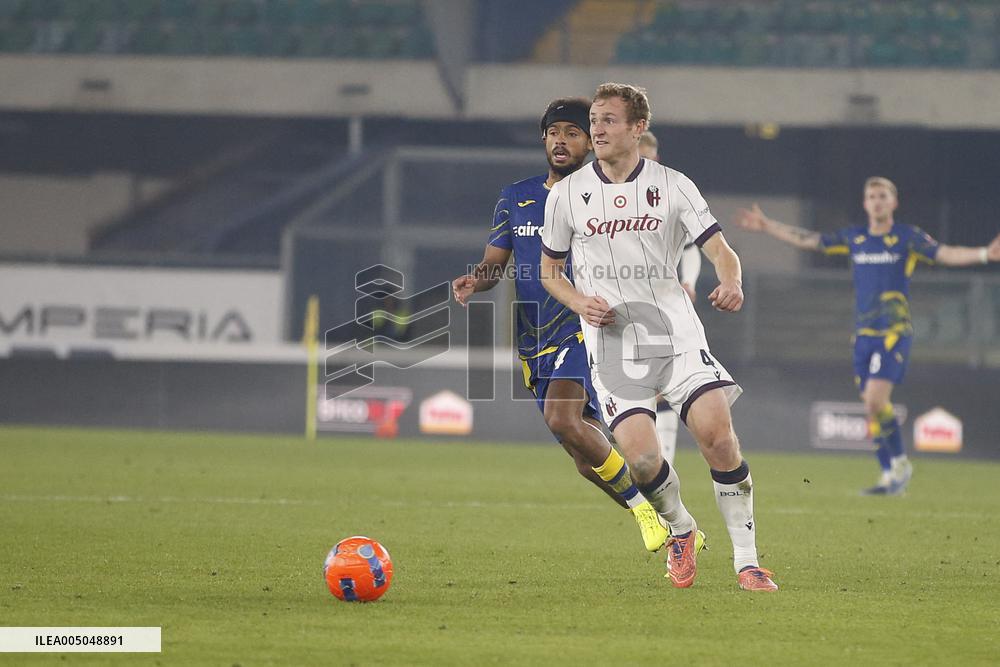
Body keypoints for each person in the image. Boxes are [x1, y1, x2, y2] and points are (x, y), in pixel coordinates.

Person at [540, 82, 777, 591]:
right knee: (644, 459)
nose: (597, 130)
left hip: (675, 334)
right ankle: (682, 529)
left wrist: (732, 280)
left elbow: (721, 250)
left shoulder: (673, 185)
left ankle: (747, 560)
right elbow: (550, 272)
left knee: (718, 436)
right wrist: (581, 302)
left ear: (637, 128)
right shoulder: (565, 195)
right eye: (595, 121)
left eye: (608, 120)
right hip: (613, 346)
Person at [452, 98, 696, 555]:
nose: (562, 140)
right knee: (585, 458)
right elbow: (494, 263)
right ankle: (677, 523)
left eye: (572, 132)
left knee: (562, 419)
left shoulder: (604, 197)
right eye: (553, 132)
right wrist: (475, 280)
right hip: (533, 340)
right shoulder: (515, 197)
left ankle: (647, 510)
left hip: (587, 329)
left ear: (589, 142)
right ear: (543, 139)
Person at [735, 178, 1000, 494]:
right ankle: (891, 472)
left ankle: (898, 464)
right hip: (863, 334)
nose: (876, 201)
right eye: (871, 196)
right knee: (873, 406)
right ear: (865, 203)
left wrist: (985, 253)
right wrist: (767, 226)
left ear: (893, 202)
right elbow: (810, 240)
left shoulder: (906, 237)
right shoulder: (855, 238)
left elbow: (945, 253)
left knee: (875, 399)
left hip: (893, 332)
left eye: (883, 196)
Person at [639, 130, 702, 466]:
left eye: (648, 160)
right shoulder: (602, 196)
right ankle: (648, 461)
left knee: (661, 383)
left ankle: (664, 465)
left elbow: (692, 246)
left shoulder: (669, 194)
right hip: (619, 302)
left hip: (662, 302)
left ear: (656, 159)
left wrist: (688, 282)